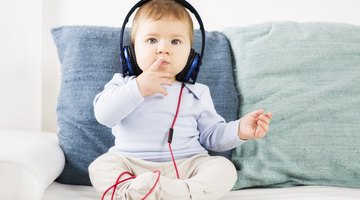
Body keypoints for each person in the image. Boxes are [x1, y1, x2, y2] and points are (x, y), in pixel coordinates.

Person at [89, 0, 272, 199]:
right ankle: (135, 191)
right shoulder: (123, 84)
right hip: (130, 165)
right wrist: (138, 88)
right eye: (152, 40)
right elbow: (104, 115)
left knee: (224, 168)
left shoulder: (196, 92)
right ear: (131, 50)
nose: (163, 49)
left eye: (175, 42)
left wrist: (239, 130)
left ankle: (178, 193)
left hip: (187, 164)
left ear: (191, 56)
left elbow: (211, 136)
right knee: (100, 167)